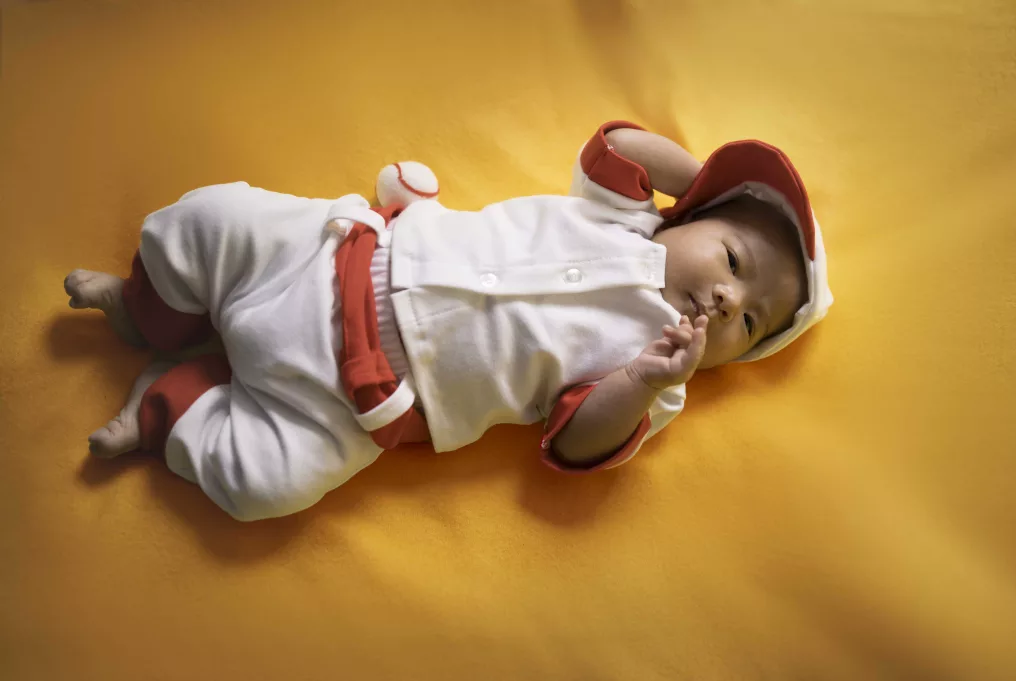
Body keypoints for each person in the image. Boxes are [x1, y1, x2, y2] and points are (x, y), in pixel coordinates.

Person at [63, 121, 832, 521]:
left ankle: (170, 406)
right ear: (684, 215)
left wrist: (640, 377)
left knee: (263, 483)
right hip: (333, 254)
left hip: (356, 400)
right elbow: (616, 146)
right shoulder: (623, 218)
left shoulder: (657, 382)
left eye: (753, 322)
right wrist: (701, 182)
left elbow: (573, 438)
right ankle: (145, 311)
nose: (730, 303)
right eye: (731, 260)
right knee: (206, 217)